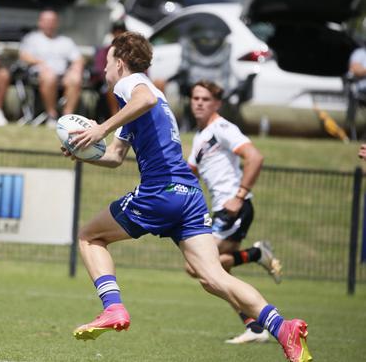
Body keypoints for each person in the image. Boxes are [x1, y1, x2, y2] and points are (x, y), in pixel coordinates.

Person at [63, 32, 311, 362]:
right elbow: (115, 157)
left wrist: (100, 127)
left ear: (119, 63)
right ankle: (283, 328)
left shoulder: (134, 85)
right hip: (188, 194)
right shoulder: (137, 103)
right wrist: (82, 151)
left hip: (161, 190)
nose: (104, 69)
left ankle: (113, 308)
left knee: (89, 237)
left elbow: (143, 100)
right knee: (213, 278)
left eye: (107, 62)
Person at [186, 80, 282, 344]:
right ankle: (254, 327)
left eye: (205, 99)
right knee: (215, 273)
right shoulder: (199, 137)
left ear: (217, 103)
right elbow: (187, 173)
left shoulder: (223, 128)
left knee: (199, 267)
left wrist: (239, 196)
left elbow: (255, 157)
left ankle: (257, 254)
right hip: (220, 212)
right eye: (195, 98)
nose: (199, 103)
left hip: (234, 209)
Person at [19, 10, 84, 127]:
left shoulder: (66, 41)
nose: (50, 24)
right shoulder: (32, 39)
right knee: (49, 76)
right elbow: (24, 56)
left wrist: (76, 68)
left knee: (75, 78)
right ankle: (51, 115)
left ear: (57, 23)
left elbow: (78, 59)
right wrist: (39, 62)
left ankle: (67, 118)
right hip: (40, 74)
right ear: (40, 23)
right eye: (46, 21)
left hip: (63, 75)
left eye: (52, 21)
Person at [92, 20, 127, 119]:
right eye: (116, 31)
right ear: (113, 33)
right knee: (113, 88)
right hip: (110, 82)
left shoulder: (132, 51)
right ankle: (116, 119)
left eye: (122, 31)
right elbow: (100, 70)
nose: (119, 34)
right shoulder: (105, 51)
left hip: (128, 80)